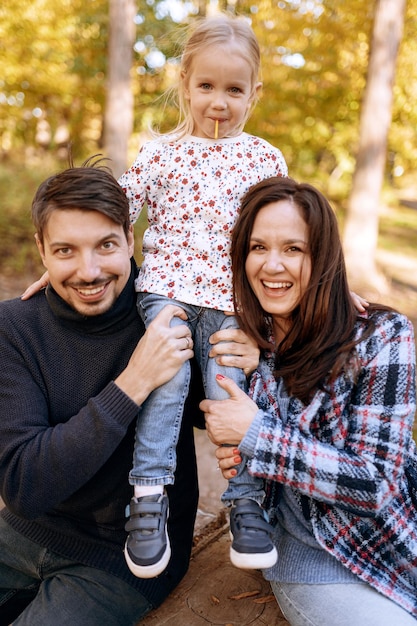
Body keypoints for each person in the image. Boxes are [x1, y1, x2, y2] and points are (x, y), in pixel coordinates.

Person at [0, 160, 260, 626]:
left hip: (124, 558)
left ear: (131, 240)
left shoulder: (177, 318)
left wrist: (259, 355)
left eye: (105, 245)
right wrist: (135, 381)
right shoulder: (15, 328)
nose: (89, 270)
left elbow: (234, 408)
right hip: (22, 533)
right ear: (41, 249)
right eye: (65, 250)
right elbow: (24, 484)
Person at [201, 176, 417, 625]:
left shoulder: (382, 337)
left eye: (293, 249)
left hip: (394, 542)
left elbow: (375, 483)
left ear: (322, 258)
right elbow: (154, 289)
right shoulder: (235, 348)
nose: (272, 265)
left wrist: (255, 436)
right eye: (257, 248)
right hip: (314, 563)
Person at [117, 12, 288, 577]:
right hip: (165, 291)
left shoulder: (263, 159)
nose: (219, 102)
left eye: (234, 90)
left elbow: (292, 230)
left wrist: (336, 282)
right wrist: (60, 256)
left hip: (228, 302)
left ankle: (244, 500)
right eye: (207, 87)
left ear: (254, 94)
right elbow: (114, 212)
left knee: (227, 390)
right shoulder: (160, 153)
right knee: (166, 385)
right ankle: (147, 498)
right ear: (185, 83)